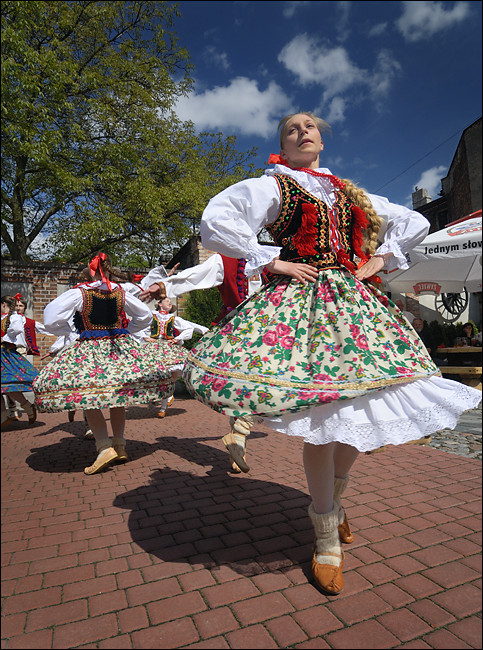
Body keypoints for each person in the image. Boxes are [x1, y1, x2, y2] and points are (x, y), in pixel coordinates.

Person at [181, 112, 482, 595]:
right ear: (282, 143)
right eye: (291, 128)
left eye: (310, 126)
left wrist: (380, 259)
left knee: (361, 409)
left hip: (354, 306)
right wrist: (272, 259)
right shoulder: (272, 186)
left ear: (322, 139)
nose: (302, 131)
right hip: (299, 307)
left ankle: (335, 504)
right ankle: (325, 534)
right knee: (323, 420)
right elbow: (217, 221)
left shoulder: (348, 192)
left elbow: (414, 220)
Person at [33, 252, 175, 475]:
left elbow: (51, 318)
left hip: (90, 347)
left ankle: (105, 447)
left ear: (89, 272)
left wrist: (68, 330)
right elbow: (145, 317)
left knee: (89, 396)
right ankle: (119, 445)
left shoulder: (79, 293)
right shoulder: (120, 292)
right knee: (117, 395)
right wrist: (127, 331)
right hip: (118, 347)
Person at [138, 253, 265, 473]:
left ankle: (239, 437)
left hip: (266, 332)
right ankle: (239, 436)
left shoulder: (272, 259)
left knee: (255, 385)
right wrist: (162, 286)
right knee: (241, 386)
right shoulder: (227, 260)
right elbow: (193, 277)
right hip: (235, 331)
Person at [142, 296, 208, 418]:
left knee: (171, 374)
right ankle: (167, 395)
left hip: (168, 347)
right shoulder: (151, 315)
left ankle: (163, 406)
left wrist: (177, 338)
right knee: (154, 373)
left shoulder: (173, 318)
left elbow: (188, 327)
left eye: (170, 302)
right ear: (159, 304)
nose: (170, 303)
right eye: (167, 301)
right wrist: (145, 337)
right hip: (154, 346)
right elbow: (140, 326)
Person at [1, 296, 38, 428]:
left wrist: (5, 338)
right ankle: (5, 414)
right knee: (5, 386)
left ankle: (26, 407)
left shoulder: (14, 317)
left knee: (10, 385)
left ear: (4, 304)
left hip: (6, 354)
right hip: (4, 354)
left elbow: (16, 329)